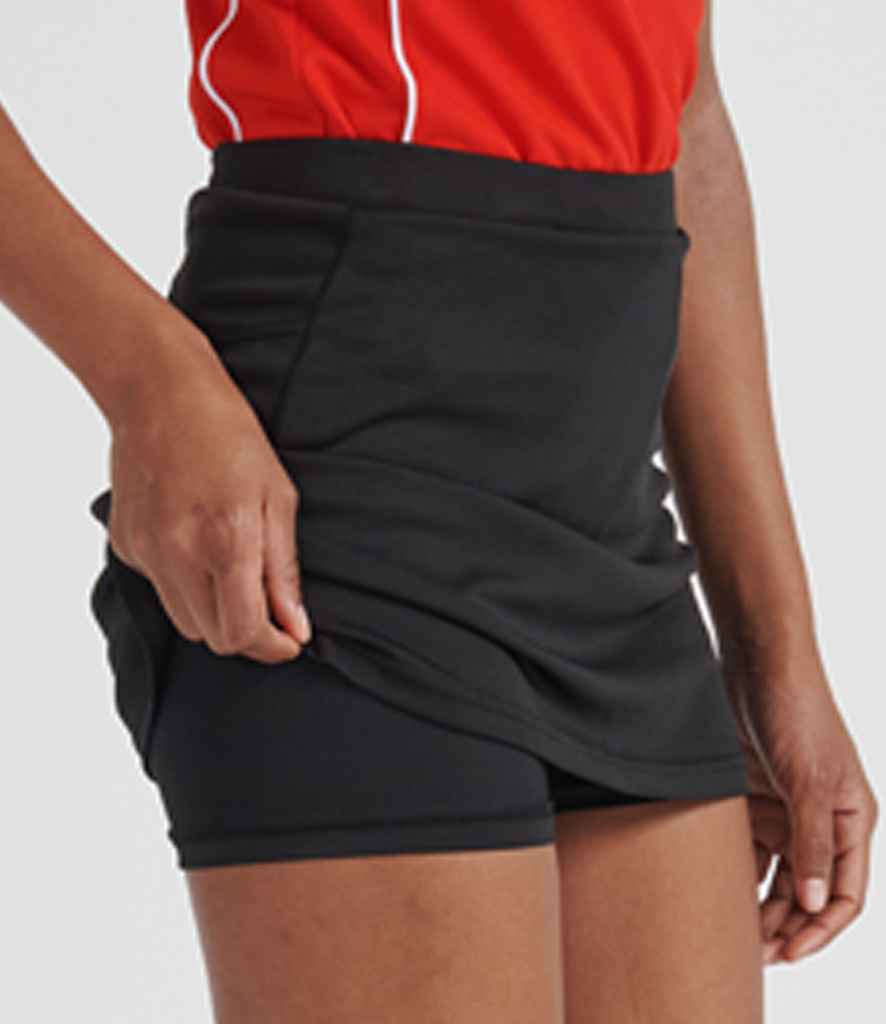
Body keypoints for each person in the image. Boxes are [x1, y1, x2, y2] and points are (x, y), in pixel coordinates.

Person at [1, 1, 877, 1021]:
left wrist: (778, 654)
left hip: (611, 541)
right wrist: (151, 382)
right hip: (341, 489)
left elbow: (689, 120)